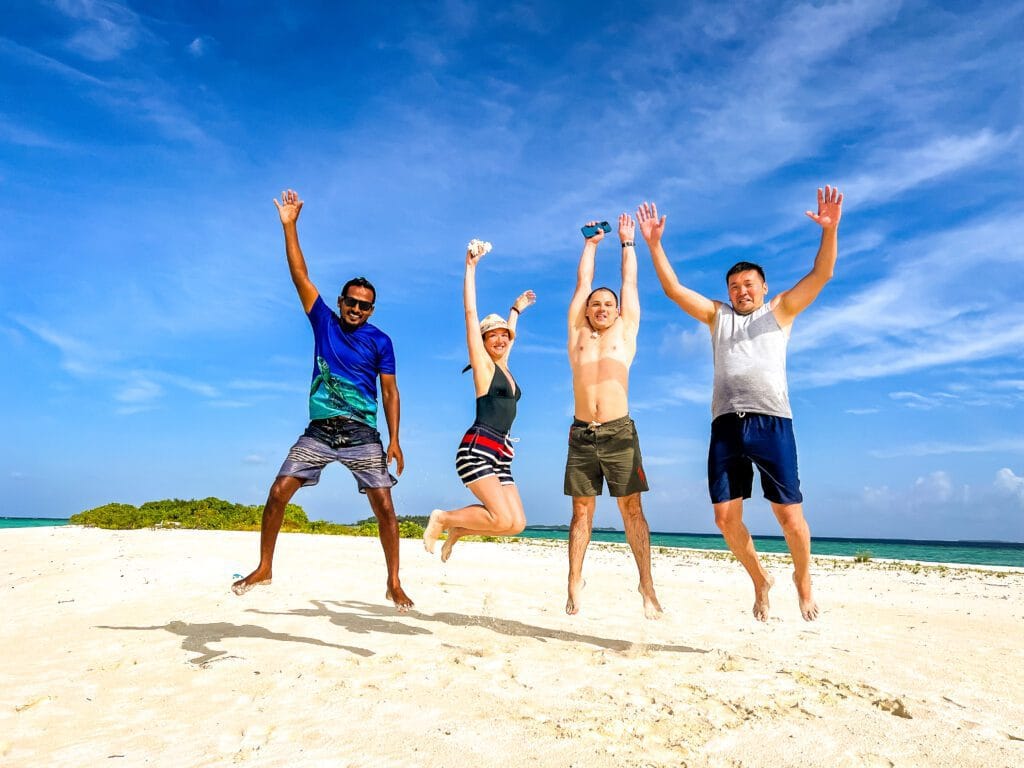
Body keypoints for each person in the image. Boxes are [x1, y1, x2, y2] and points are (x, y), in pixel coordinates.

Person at [638, 185, 844, 622]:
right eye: (734, 286)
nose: (741, 291)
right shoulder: (718, 317)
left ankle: (802, 580)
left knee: (789, 517)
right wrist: (655, 245)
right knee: (725, 519)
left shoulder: (781, 311)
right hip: (727, 426)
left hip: (772, 423)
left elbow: (822, 274)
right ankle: (760, 579)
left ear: (763, 287)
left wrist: (830, 230)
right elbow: (674, 289)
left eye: (748, 284)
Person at [232, 189, 413, 611]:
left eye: (364, 306)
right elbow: (300, 275)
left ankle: (393, 581)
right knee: (278, 491)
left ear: (371, 310)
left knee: (384, 505)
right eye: (350, 301)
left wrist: (395, 439)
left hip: (361, 433)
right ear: (340, 301)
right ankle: (264, 567)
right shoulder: (323, 321)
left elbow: (390, 390)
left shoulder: (381, 341)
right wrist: (290, 225)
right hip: (319, 431)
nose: (356, 309)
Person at [564, 214, 662, 619]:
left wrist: (627, 243)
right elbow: (583, 285)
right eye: (595, 305)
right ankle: (573, 581)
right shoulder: (577, 334)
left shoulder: (626, 332)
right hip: (582, 434)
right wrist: (591, 244)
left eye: (608, 305)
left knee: (632, 511)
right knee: (581, 511)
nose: (601, 308)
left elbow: (630, 285)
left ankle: (647, 584)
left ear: (618, 312)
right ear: (586, 312)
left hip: (620, 433)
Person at [423, 241, 535, 562]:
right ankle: (443, 518)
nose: (500, 339)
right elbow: (471, 314)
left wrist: (514, 312)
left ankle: (460, 529)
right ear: (483, 343)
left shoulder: (505, 368)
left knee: (516, 524)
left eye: (504, 335)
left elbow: (508, 338)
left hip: (500, 454)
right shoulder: (485, 369)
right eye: (492, 336)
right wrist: (470, 268)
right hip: (477, 449)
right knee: (500, 518)